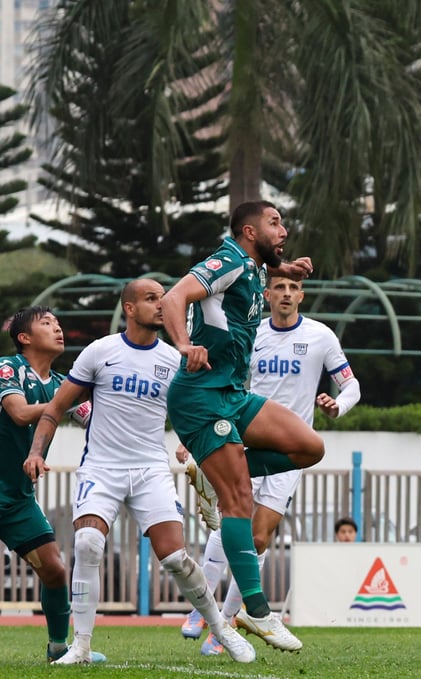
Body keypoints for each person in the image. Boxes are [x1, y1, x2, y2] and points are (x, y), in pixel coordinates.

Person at [23, 280, 256, 664]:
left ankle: (220, 629)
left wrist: (193, 444)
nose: (161, 304)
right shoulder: (100, 351)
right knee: (87, 544)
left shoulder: (174, 359)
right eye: (151, 299)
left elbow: (196, 411)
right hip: (102, 468)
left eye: (163, 298)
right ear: (129, 308)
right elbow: (56, 407)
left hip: (151, 470)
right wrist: (36, 452)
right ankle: (81, 646)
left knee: (175, 559)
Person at [161, 200, 320, 652]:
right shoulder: (228, 260)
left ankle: (218, 473)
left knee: (309, 447)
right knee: (239, 503)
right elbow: (174, 298)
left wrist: (283, 266)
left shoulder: (250, 265)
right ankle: (258, 612)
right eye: (275, 223)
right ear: (250, 232)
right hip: (201, 395)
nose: (283, 230)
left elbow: (255, 268)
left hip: (231, 393)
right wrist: (183, 344)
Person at [178, 275, 361, 655]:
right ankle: (202, 611)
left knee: (258, 538)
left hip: (286, 453)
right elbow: (222, 386)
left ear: (302, 295)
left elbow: (352, 385)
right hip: (244, 435)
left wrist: (338, 406)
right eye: (279, 287)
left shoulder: (321, 336)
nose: (287, 293)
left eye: (293, 288)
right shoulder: (252, 333)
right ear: (266, 295)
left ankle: (225, 625)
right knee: (233, 515)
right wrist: (193, 433)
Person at [0, 306, 107, 665]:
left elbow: (96, 420)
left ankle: (58, 648)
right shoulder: (8, 368)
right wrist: (63, 404)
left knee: (55, 570)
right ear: (24, 338)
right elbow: (18, 413)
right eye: (47, 323)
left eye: (58, 323)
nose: (57, 329)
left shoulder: (63, 385)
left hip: (17, 499)